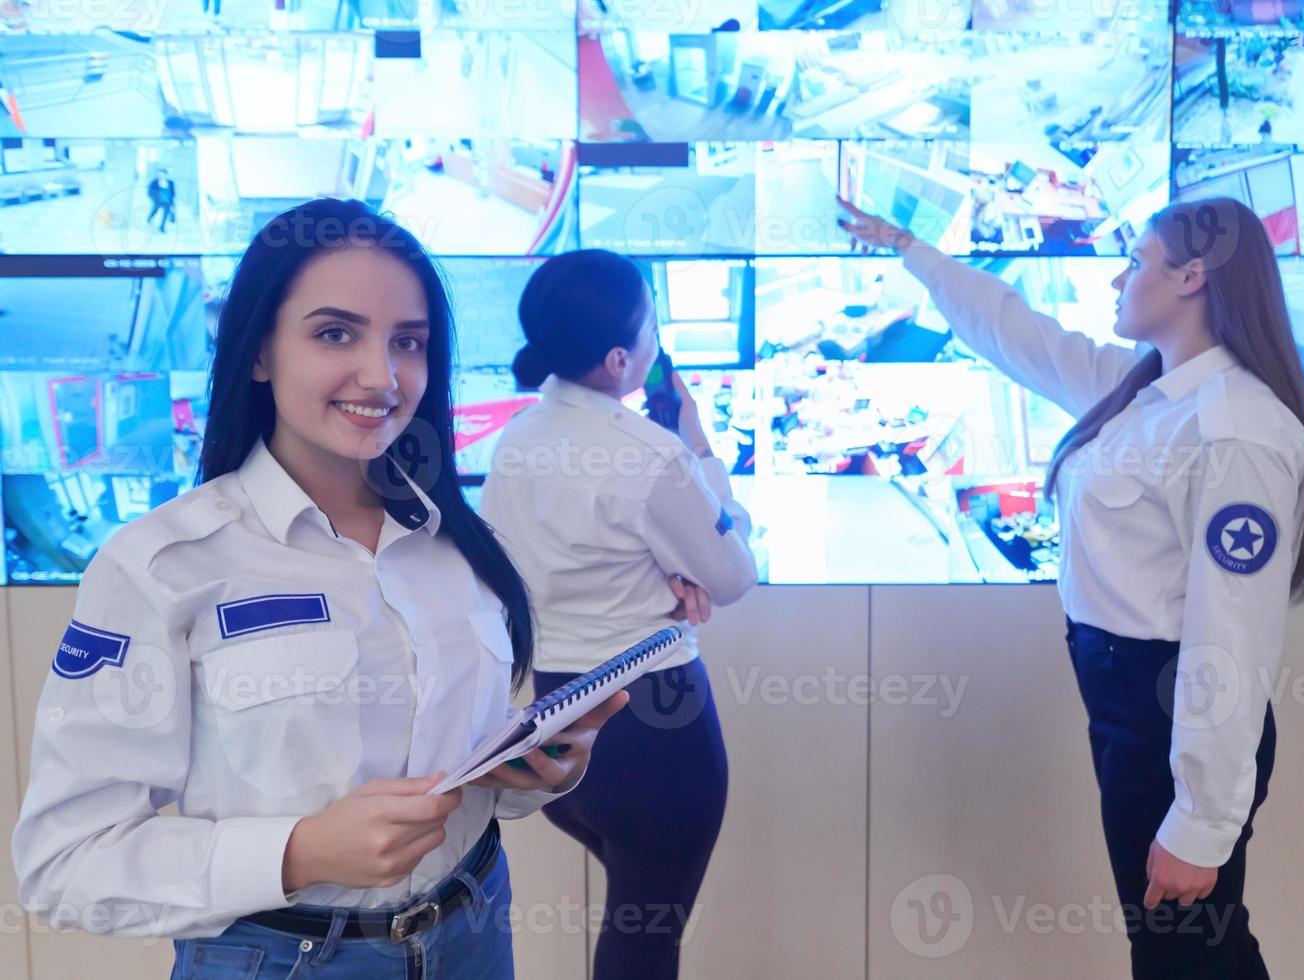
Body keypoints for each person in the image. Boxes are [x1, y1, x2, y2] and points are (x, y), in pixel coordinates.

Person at [12, 199, 627, 978]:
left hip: (473, 925)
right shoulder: (161, 564)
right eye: (335, 333)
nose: (382, 375)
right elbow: (65, 863)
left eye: (409, 342)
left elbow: (458, 771)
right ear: (260, 352)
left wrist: (536, 772)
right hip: (285, 957)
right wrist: (297, 852)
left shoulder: (459, 546)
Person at [837, 195, 1304, 979]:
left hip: (1173, 715)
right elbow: (1015, 332)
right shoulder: (1142, 390)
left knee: (1182, 958)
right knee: (1198, 952)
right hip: (1129, 712)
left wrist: (1200, 822)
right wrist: (911, 249)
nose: (1117, 278)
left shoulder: (1232, 425)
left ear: (1193, 277)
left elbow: (1230, 635)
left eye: (1135, 262)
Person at [479, 249, 758, 980]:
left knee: (637, 919)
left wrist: (666, 561)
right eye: (652, 326)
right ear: (614, 359)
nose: (659, 342)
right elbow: (732, 578)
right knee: (645, 939)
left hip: (557, 721)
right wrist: (698, 451)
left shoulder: (516, 440)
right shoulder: (654, 455)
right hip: (655, 733)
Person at [147, 168, 176, 232]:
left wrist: (172, 202)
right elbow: (150, 192)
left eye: (163, 174)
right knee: (155, 210)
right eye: (160, 174)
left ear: (166, 175)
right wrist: (154, 198)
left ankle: (162, 227)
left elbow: (173, 192)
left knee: (165, 214)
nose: (161, 176)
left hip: (167, 201)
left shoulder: (170, 183)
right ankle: (149, 218)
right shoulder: (154, 182)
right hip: (158, 201)